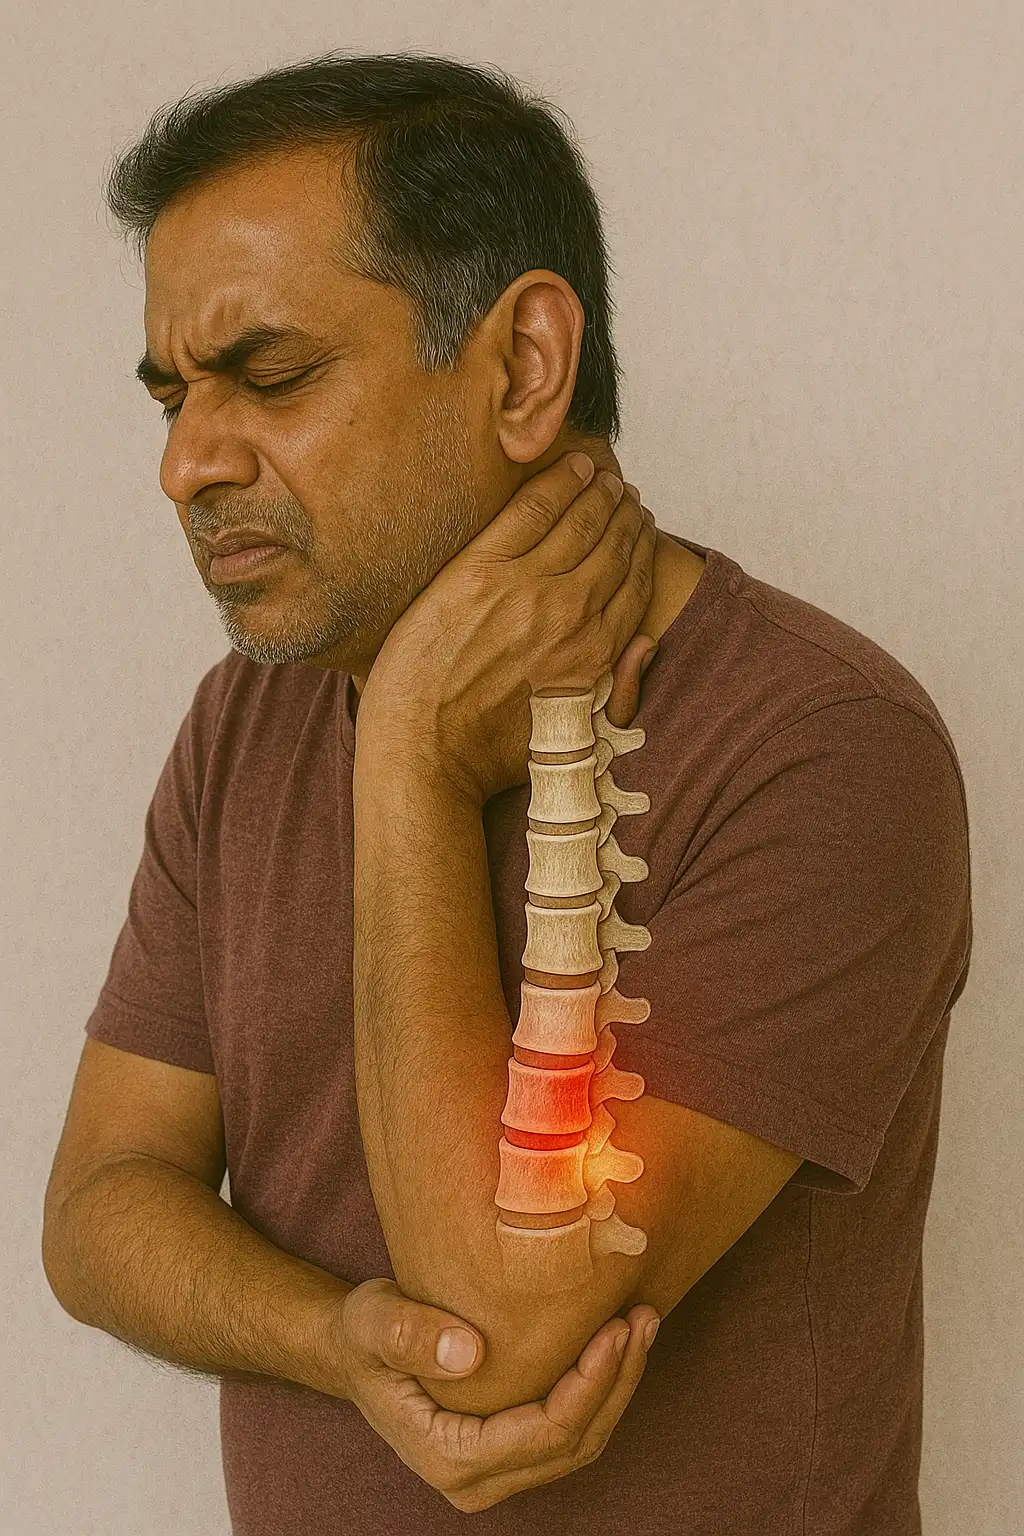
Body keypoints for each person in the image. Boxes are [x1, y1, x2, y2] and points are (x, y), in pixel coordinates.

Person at [41, 52, 972, 1535]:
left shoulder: (824, 744)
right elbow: (97, 1207)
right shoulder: (246, 719)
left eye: (270, 376)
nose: (187, 465)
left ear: (527, 363)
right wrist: (334, 1345)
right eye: (174, 397)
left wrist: (405, 752)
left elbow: (508, 1330)